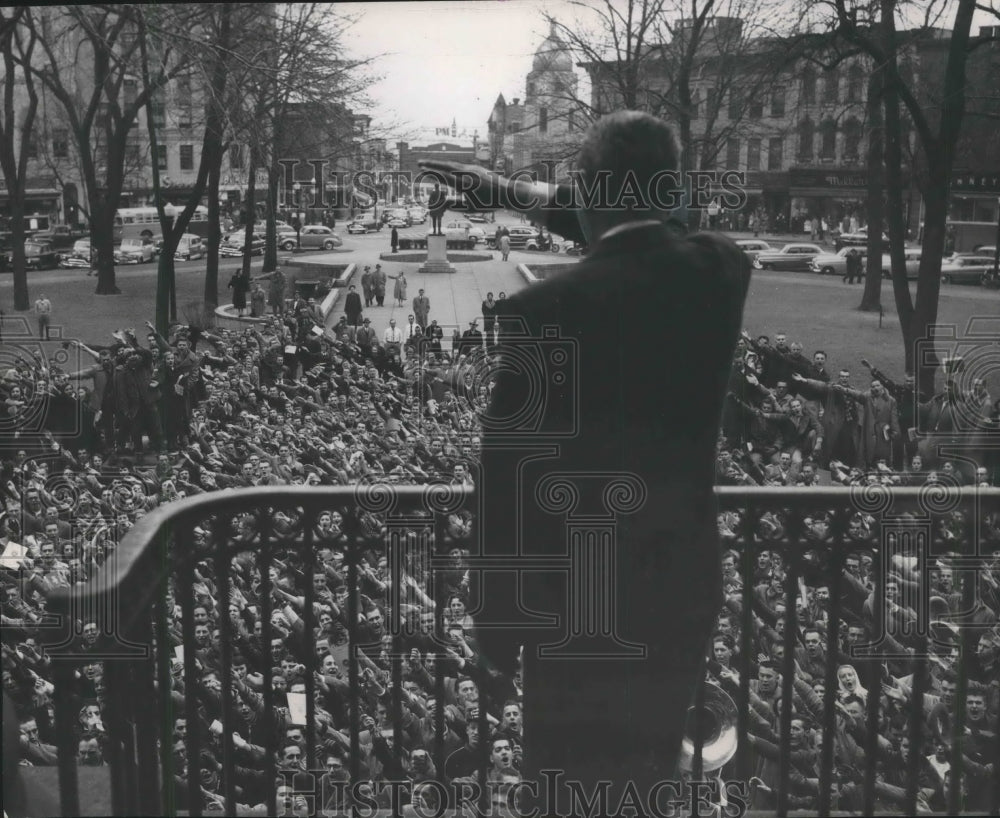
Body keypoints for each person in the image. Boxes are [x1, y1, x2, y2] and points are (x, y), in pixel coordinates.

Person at [419, 110, 750, 806]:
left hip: (575, 610)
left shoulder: (543, 312)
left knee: (568, 788)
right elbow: (651, 231)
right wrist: (520, 192)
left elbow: (506, 484)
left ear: (589, 186)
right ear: (670, 188)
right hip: (677, 594)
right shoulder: (720, 274)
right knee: (646, 783)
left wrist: (496, 634)